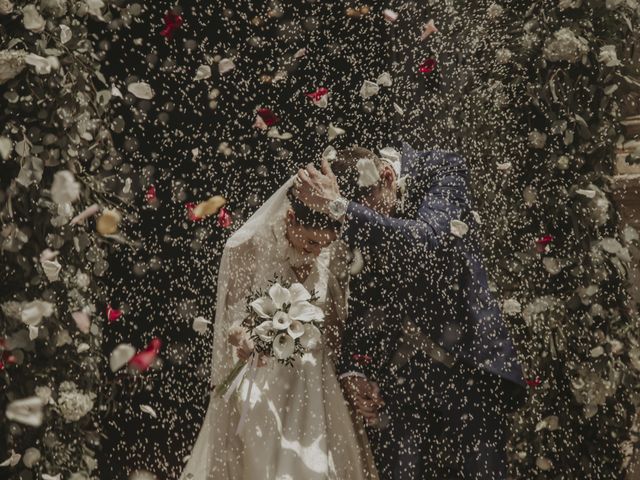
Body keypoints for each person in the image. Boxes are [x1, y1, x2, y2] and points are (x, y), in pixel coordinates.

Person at [293, 143, 528, 479]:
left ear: (387, 176)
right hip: (398, 382)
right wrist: (355, 370)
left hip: (467, 370)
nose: (370, 221)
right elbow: (362, 288)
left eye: (373, 209)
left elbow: (427, 242)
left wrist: (341, 207)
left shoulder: (444, 168)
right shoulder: (352, 208)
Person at [179, 176, 379, 480]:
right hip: (264, 378)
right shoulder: (252, 245)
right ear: (290, 218)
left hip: (316, 381)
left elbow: (336, 326)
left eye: (323, 244)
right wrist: (247, 339)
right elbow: (234, 323)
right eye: (311, 242)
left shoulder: (333, 253)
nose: (316, 251)